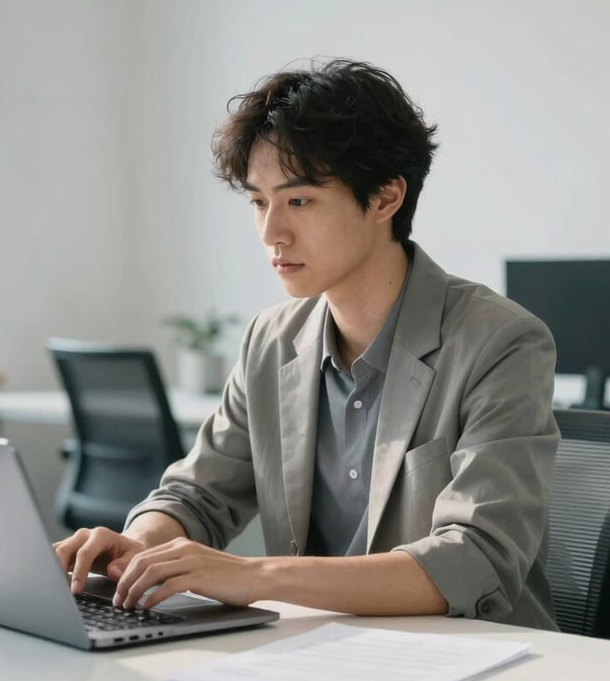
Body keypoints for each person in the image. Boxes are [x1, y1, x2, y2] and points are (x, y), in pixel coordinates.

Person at [54, 59, 559, 629]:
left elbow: (476, 558)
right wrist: (139, 544)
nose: (272, 232)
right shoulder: (272, 340)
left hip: (482, 665)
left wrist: (254, 576)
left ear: (386, 198)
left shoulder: (500, 340)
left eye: (299, 201)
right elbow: (198, 497)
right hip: (321, 655)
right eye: (257, 202)